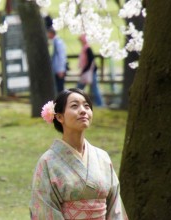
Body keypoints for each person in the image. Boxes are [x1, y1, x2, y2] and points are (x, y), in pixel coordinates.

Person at [30, 88, 128, 219]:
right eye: (74, 106)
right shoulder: (48, 162)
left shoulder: (102, 157)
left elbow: (115, 207)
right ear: (59, 117)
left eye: (87, 106)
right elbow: (44, 210)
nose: (83, 110)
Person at [77, 34, 104, 107]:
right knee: (90, 88)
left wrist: (83, 71)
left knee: (92, 89)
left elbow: (90, 61)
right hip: (89, 72)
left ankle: (100, 104)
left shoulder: (87, 48)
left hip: (89, 72)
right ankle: (100, 104)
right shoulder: (85, 48)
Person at [47, 27, 68, 94]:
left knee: (60, 88)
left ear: (51, 33)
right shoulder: (54, 42)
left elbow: (61, 56)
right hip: (56, 69)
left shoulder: (58, 42)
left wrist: (61, 69)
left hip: (59, 70)